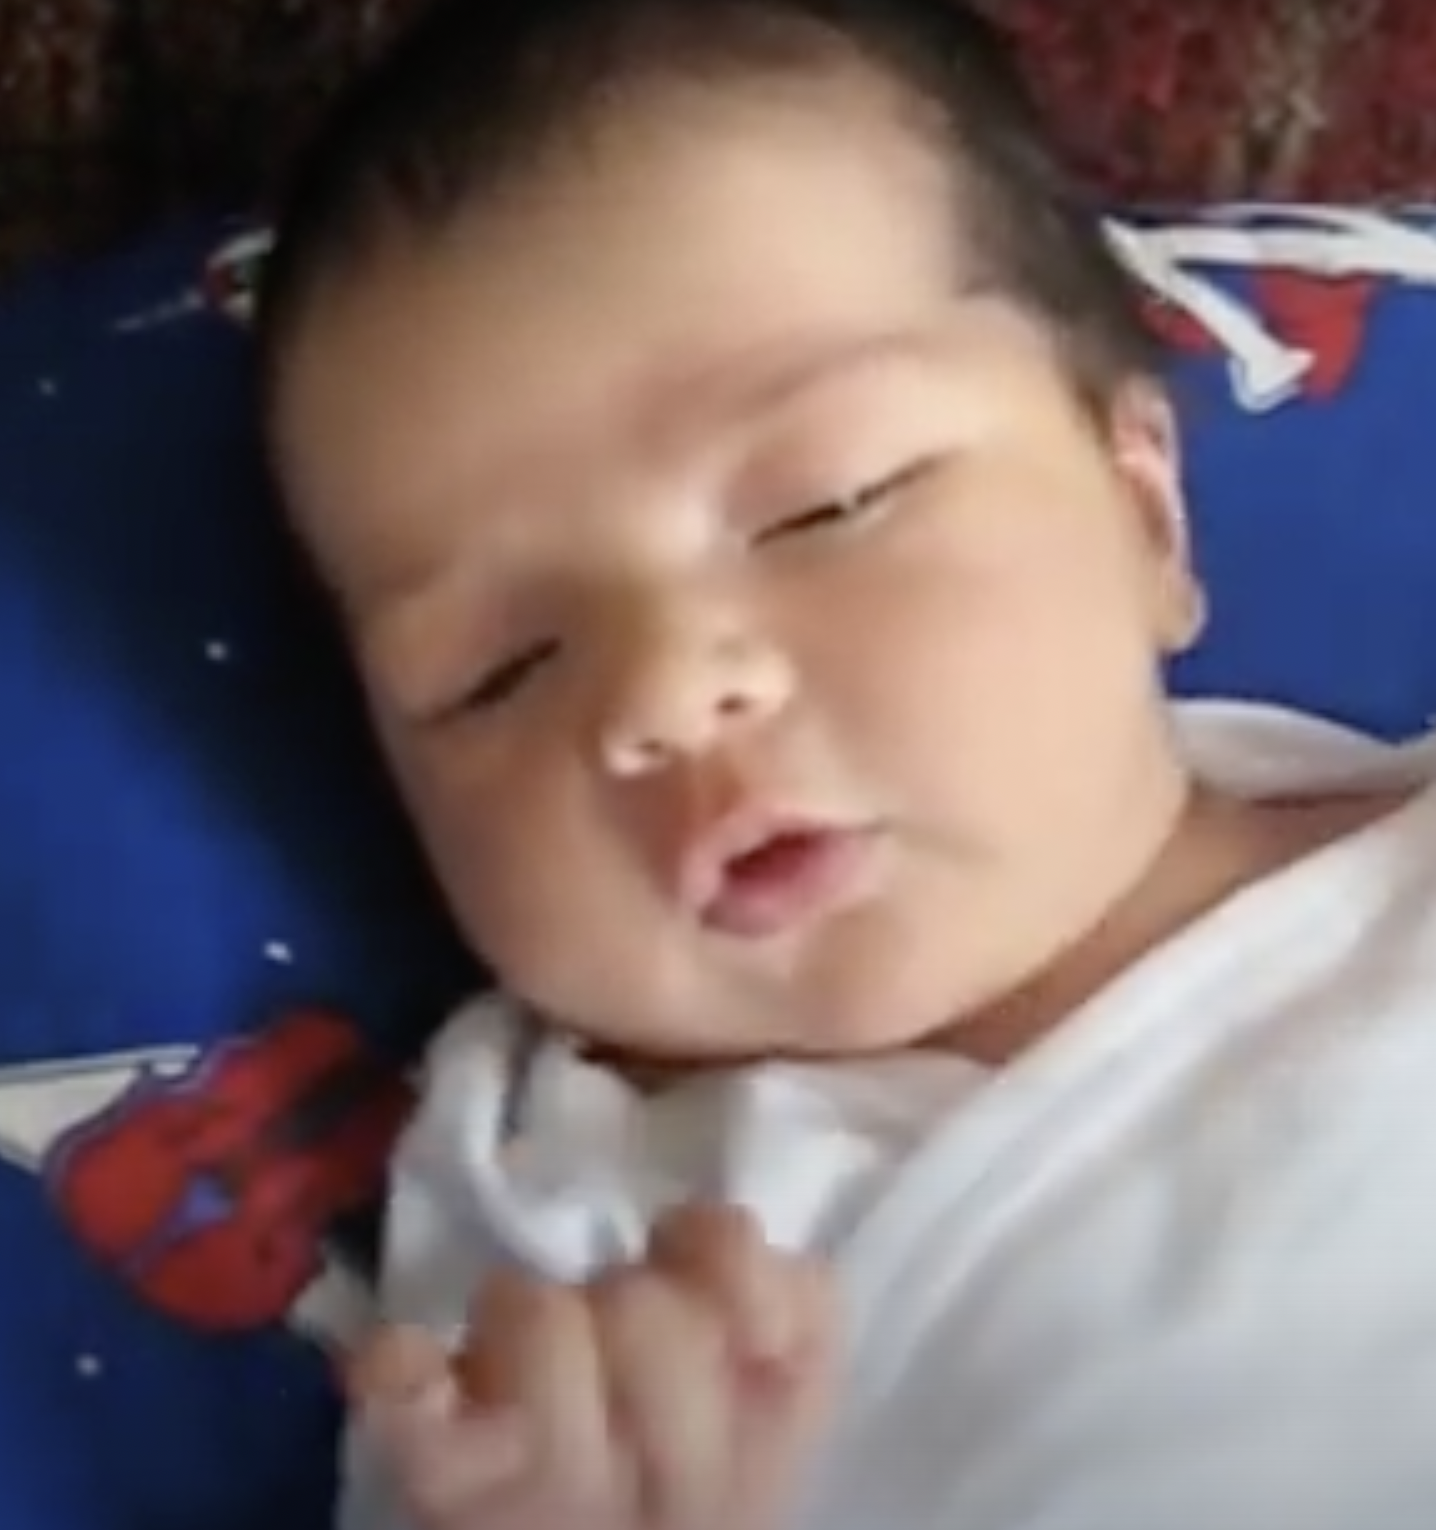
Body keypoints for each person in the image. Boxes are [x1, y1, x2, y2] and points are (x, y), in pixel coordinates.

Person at [255, 1, 1436, 1526]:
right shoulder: (563, 1209)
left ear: (1146, 513)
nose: (668, 693)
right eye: (499, 669)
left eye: (827, 504)